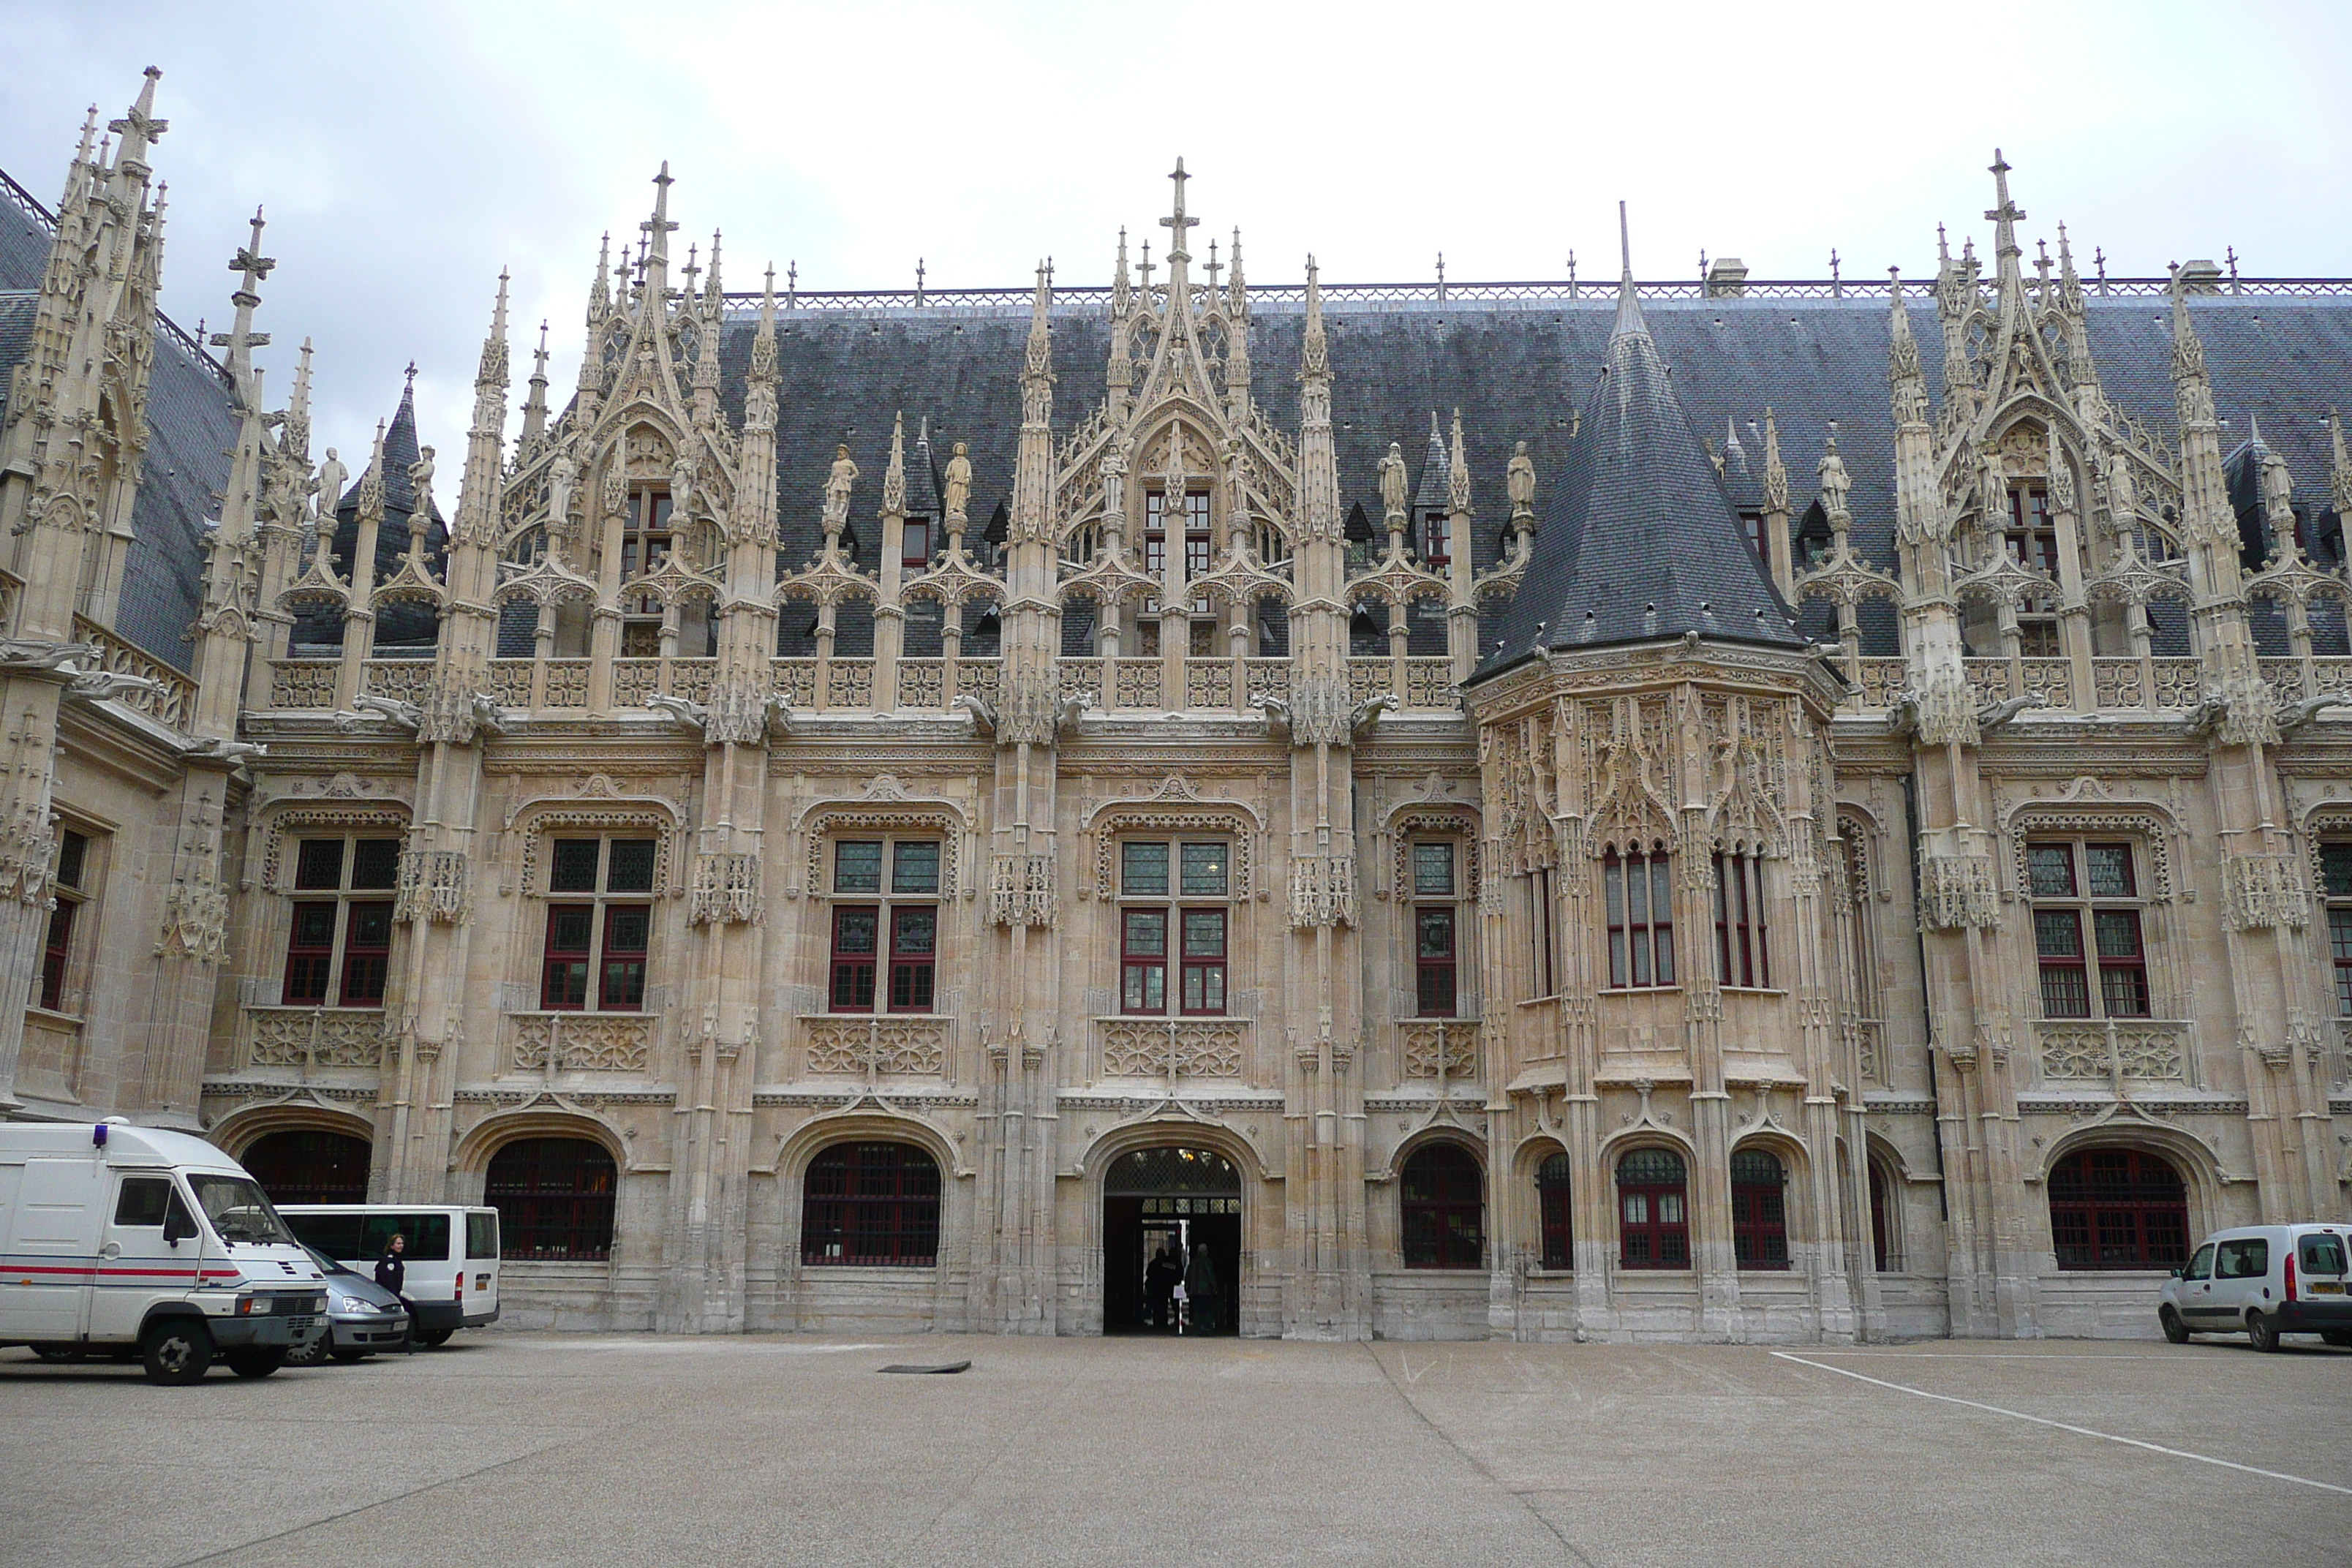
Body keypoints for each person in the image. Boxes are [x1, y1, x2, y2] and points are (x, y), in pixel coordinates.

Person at [374, 1232, 418, 1353]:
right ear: (391, 1246)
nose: (401, 1246)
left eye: (402, 1243)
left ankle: (407, 1343)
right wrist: (395, 1297)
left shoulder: (396, 1260)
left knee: (408, 1312)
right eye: (398, 1243)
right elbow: (388, 1281)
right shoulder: (389, 1261)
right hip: (389, 1295)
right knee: (405, 1313)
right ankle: (407, 1343)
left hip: (395, 1294)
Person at [1183, 1240, 1221, 1336]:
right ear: (1206, 1252)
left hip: (1195, 1291)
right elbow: (1210, 1275)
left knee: (1197, 1311)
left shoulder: (1193, 1262)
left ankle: (1198, 1329)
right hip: (1206, 1291)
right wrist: (1215, 1288)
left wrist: (1187, 1288)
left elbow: (1188, 1276)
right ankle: (1205, 1328)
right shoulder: (1207, 1262)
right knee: (1207, 1310)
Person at [1145, 1240, 1182, 1331]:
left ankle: (1159, 1322)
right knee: (1173, 1305)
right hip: (1171, 1286)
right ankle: (1174, 1321)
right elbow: (1180, 1274)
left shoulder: (1156, 1263)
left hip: (1159, 1287)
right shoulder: (1175, 1263)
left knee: (1159, 1306)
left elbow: (1149, 1273)